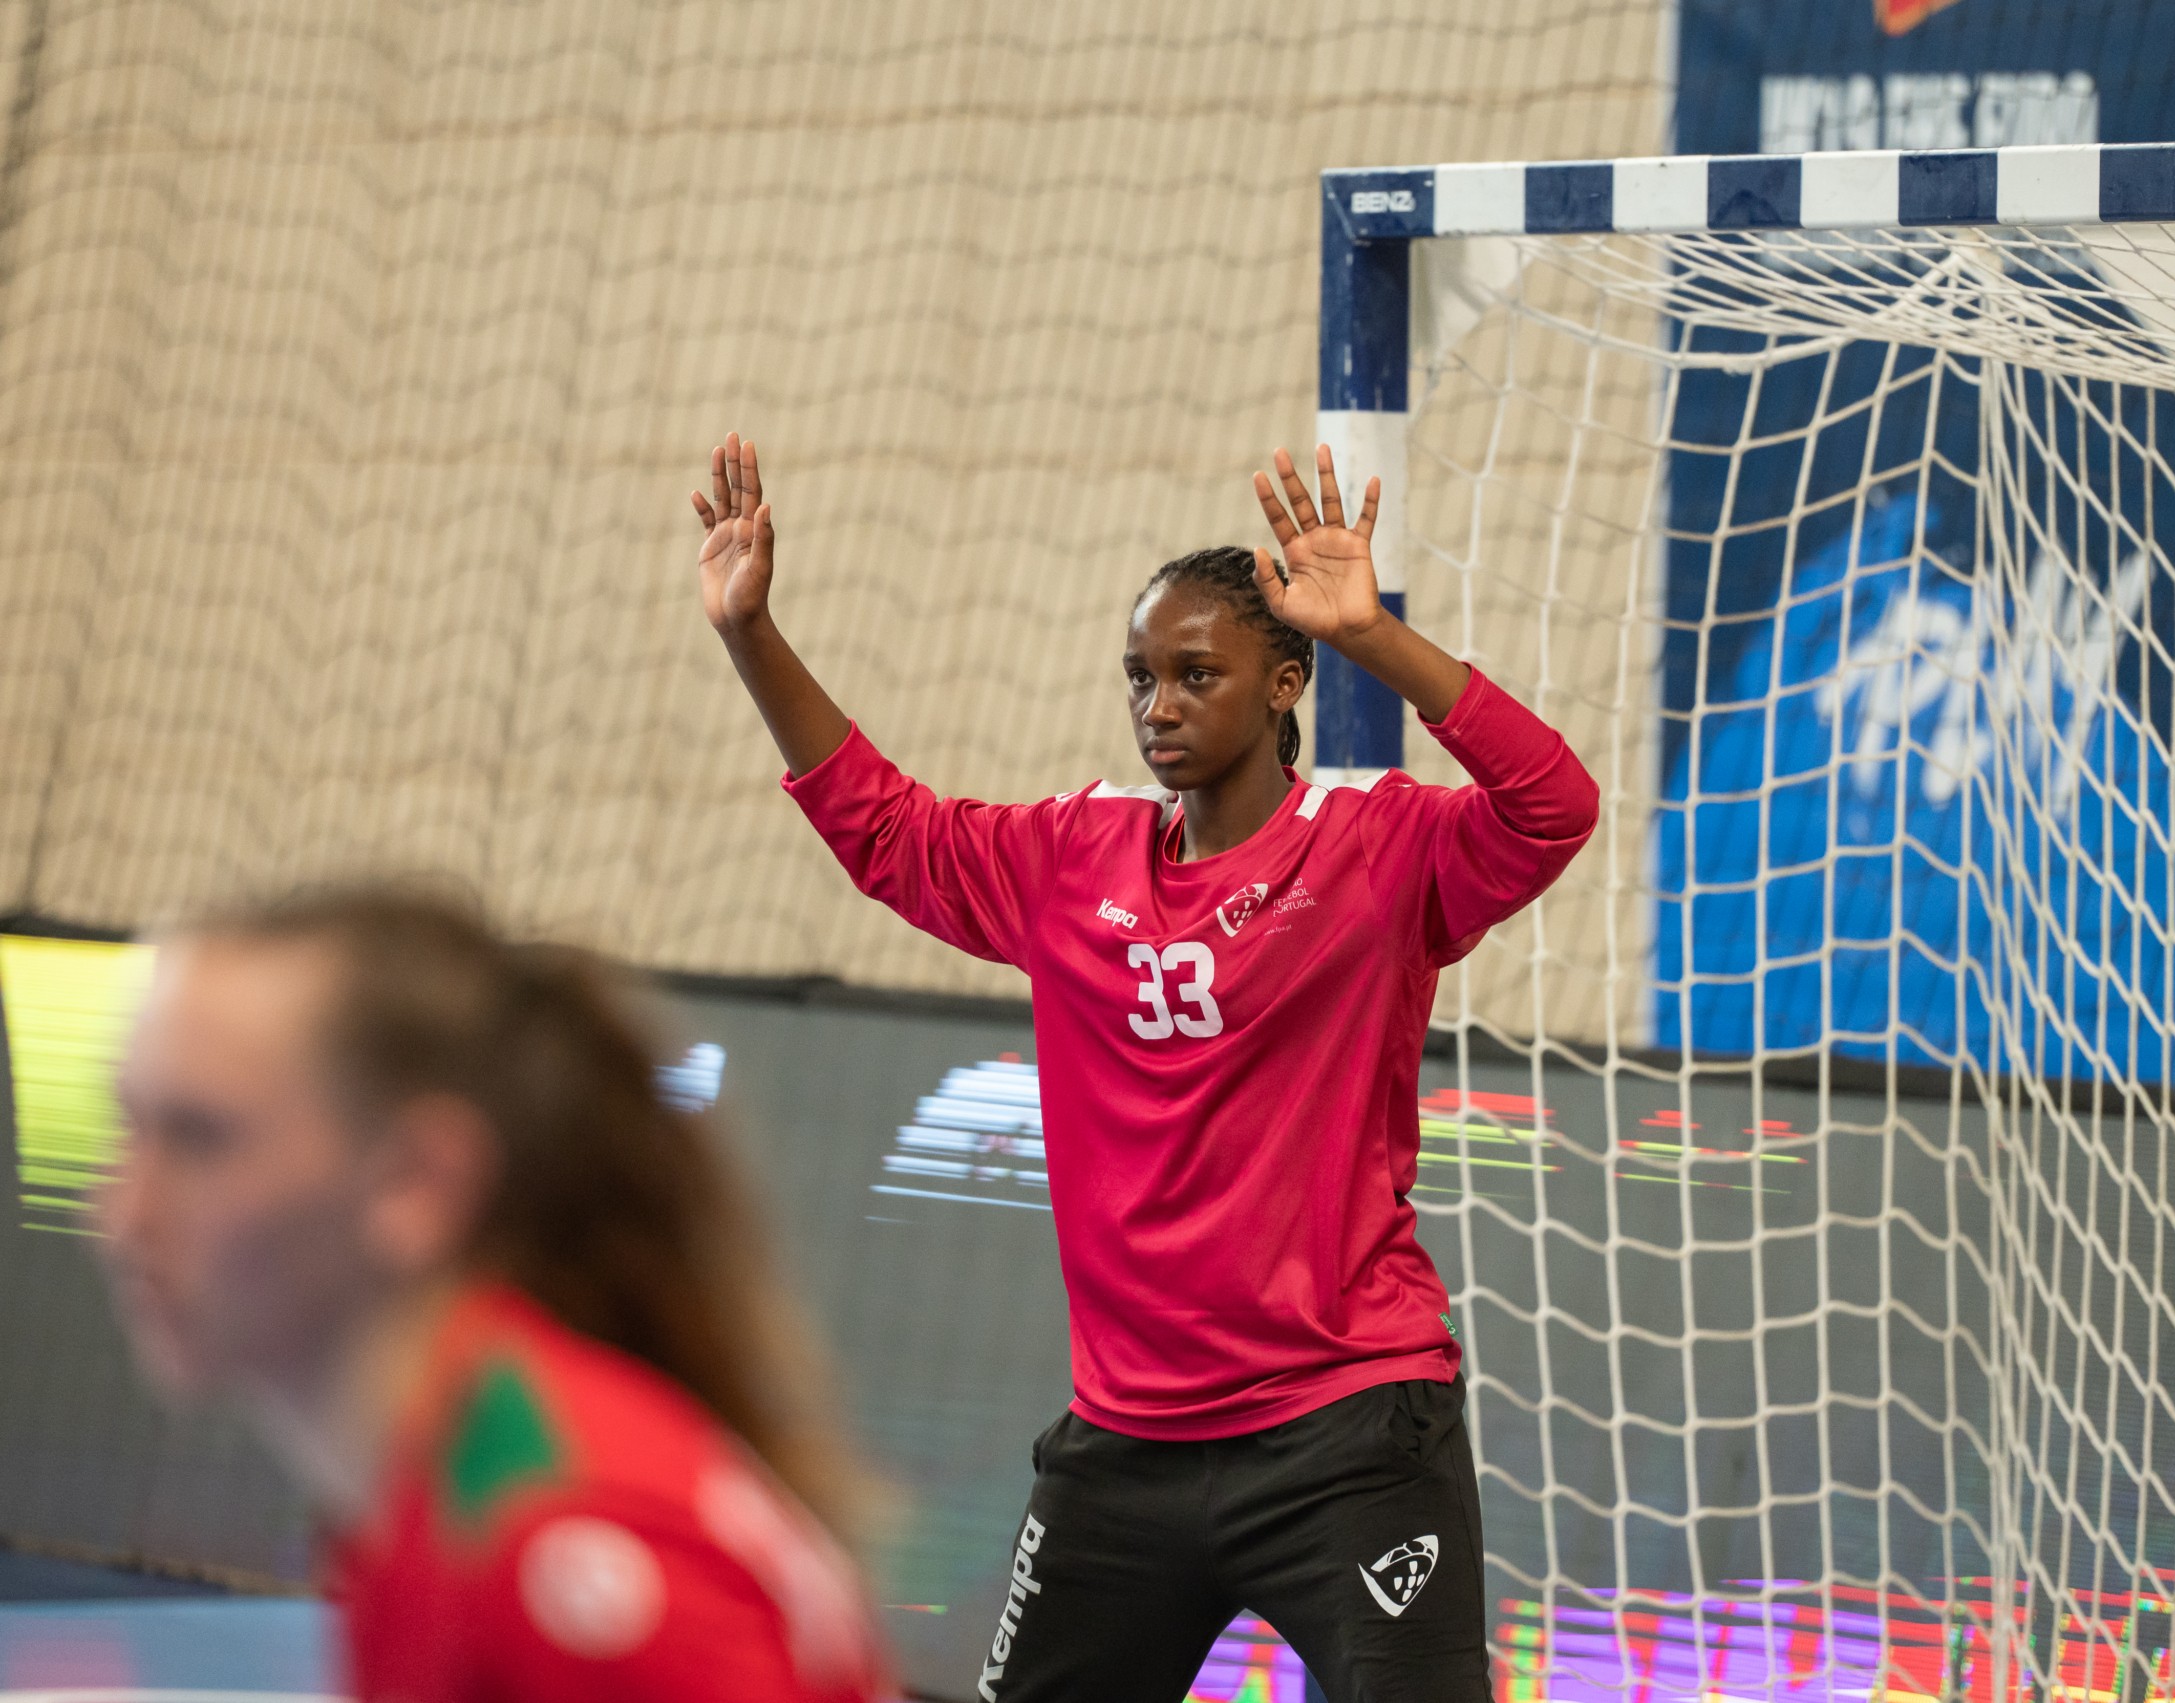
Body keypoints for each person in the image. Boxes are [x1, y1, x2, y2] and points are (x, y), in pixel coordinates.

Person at [694, 431, 1597, 1703]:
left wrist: (1374, 634)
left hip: (1346, 1433)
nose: (1157, 704)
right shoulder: (1072, 856)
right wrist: (749, 632)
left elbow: (1554, 805)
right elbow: (885, 828)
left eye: (1195, 674)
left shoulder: (1377, 851)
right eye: (1140, 676)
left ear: (1285, 683)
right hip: (1125, 1447)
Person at [98, 885, 892, 1703]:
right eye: (129, 1126)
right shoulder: (431, 1489)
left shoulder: (557, 1546)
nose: (122, 1216)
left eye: (200, 1138)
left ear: (416, 1181)